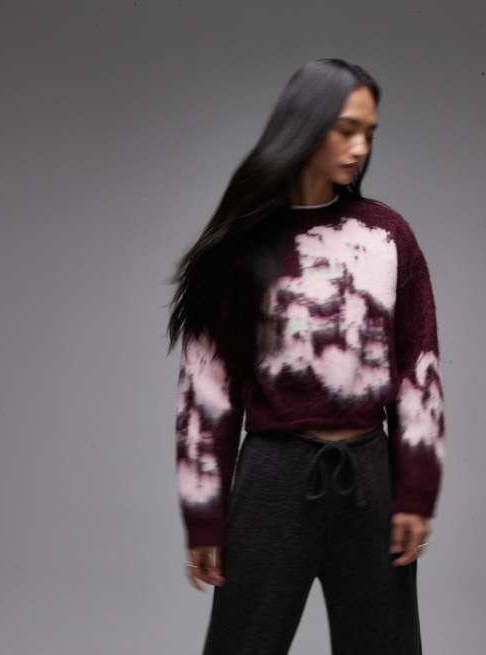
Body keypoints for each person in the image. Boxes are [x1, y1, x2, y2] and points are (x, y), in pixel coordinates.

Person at [166, 58, 445, 654]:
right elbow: (205, 393)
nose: (360, 147)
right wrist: (203, 514)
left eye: (369, 132)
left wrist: (416, 491)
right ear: (305, 125)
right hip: (272, 481)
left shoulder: (387, 235)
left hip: (370, 479)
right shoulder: (239, 248)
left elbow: (418, 370)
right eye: (346, 129)